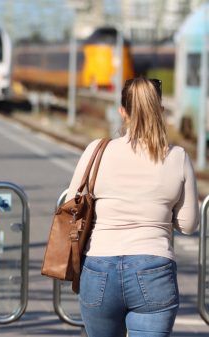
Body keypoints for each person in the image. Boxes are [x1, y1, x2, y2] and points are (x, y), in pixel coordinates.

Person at [66, 77, 199, 337]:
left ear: (122, 111)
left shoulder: (98, 150)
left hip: (99, 268)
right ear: (160, 110)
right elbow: (188, 224)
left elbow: (71, 205)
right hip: (154, 269)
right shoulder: (177, 157)